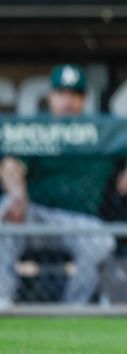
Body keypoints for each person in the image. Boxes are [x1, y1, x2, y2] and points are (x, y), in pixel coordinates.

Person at [0, 65, 116, 307]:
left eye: (75, 95)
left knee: (102, 240)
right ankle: (3, 298)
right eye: (62, 94)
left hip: (79, 222)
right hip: (35, 215)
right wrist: (18, 197)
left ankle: (73, 308)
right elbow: (10, 165)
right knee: (4, 211)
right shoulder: (37, 129)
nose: (68, 101)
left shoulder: (100, 131)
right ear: (51, 96)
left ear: (84, 99)